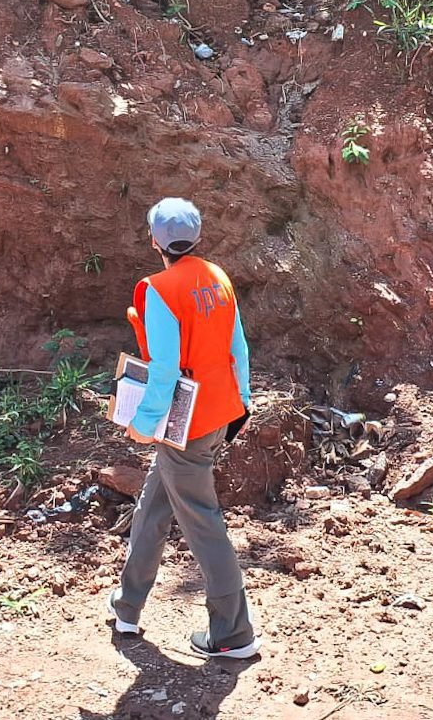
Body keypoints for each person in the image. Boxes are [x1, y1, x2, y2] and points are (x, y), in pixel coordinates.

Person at [106, 196, 257, 659]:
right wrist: (243, 403)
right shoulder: (218, 277)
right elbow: (239, 348)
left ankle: (233, 635)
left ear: (154, 241)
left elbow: (166, 367)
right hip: (218, 412)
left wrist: (143, 424)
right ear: (198, 238)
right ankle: (128, 607)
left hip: (183, 425)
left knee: (203, 524)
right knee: (155, 502)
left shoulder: (159, 289)